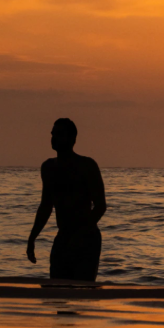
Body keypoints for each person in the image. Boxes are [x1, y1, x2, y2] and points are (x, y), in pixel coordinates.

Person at [26, 118, 107, 281]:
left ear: (72, 139)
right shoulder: (48, 167)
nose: (54, 138)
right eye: (53, 134)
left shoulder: (87, 166)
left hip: (87, 238)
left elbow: (100, 206)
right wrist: (32, 238)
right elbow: (46, 206)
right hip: (63, 236)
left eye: (59, 134)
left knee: (82, 291)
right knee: (57, 290)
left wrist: (80, 234)